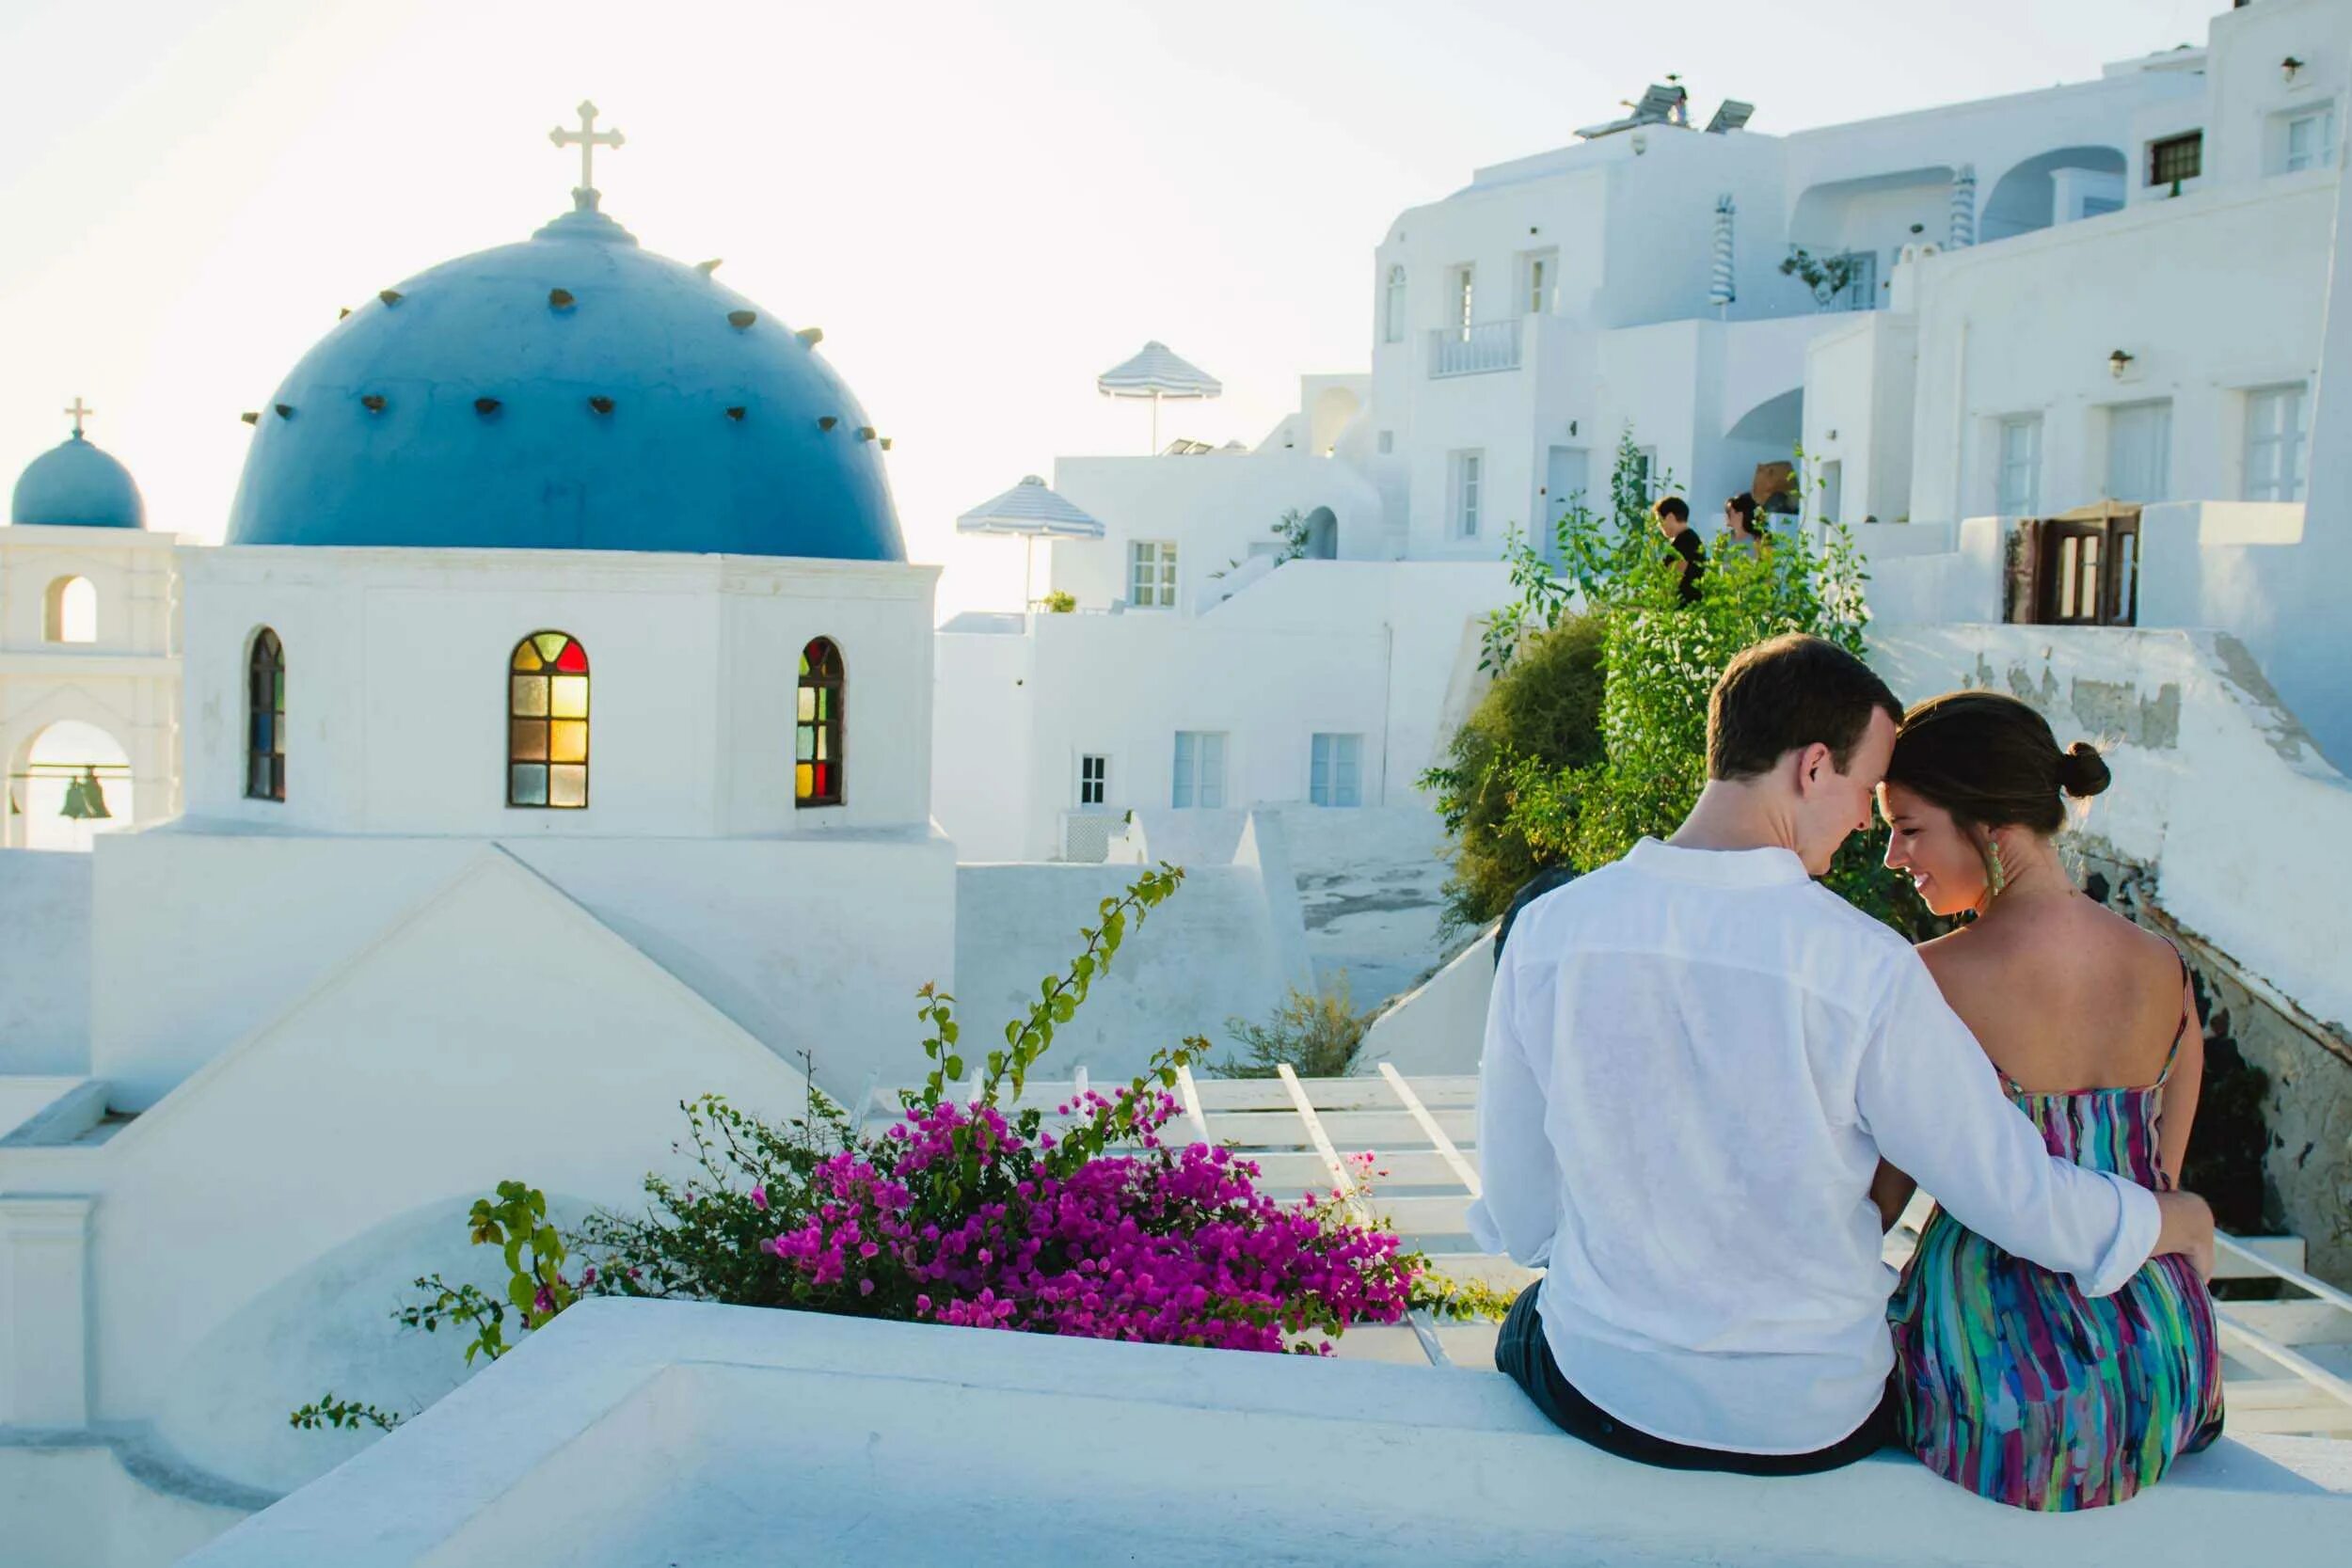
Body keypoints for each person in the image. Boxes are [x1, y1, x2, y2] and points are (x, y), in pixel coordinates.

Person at [1472, 633, 2213, 1475]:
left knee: (1536, 1318)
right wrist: (2171, 1217)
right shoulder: (1868, 966)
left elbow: (1523, 1214)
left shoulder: (1548, 932)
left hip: (1606, 1391)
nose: (1867, 824)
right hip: (1806, 1419)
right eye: (1866, 791)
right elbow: (2020, 1197)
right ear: (1813, 767)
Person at [1878, 692, 2225, 1510]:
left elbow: (1874, 1199)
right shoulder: (2165, 968)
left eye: (1911, 827)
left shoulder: (1926, 980)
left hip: (1994, 1375)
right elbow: (2159, 1192)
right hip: (2162, 1360)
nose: (1894, 854)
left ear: (1990, 827)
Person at [1652, 496, 1705, 604]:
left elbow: (1673, 580)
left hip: (1682, 610)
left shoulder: (1685, 541)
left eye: (1660, 521)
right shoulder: (1688, 539)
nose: (1659, 526)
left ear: (1670, 517)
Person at [1720, 492, 1769, 556]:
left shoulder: (1761, 541)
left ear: (1740, 515)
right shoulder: (1723, 540)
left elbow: (1767, 564)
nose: (1726, 516)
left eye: (1728, 512)